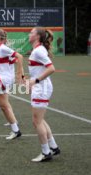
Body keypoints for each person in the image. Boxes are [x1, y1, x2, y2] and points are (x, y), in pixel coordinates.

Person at [27, 27, 60, 162]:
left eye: (31, 33)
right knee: (40, 119)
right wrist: (31, 82)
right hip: (40, 87)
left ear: (38, 36)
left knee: (37, 121)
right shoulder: (38, 50)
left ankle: (46, 152)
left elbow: (51, 68)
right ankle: (53, 146)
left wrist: (36, 80)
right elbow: (37, 70)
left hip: (42, 88)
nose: (29, 34)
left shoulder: (39, 50)